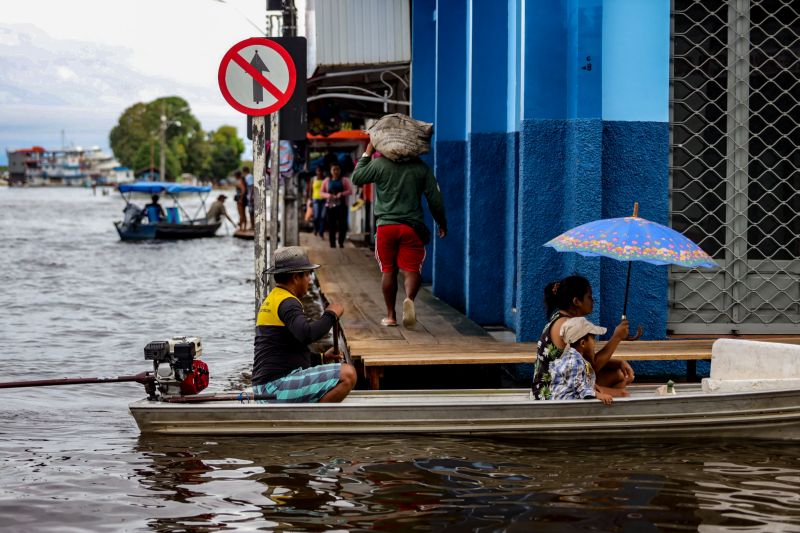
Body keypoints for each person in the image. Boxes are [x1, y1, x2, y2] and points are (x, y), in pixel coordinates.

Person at [351, 141, 447, 328]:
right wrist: (441, 222)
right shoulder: (421, 168)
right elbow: (435, 199)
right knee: (411, 269)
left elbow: (357, 178)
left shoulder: (379, 164)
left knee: (388, 270)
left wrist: (367, 153)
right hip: (412, 228)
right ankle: (409, 298)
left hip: (386, 227)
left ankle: (390, 316)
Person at [251, 246, 357, 403]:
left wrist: (321, 358)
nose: (310, 280)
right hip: (274, 389)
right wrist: (330, 314)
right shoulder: (288, 303)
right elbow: (306, 334)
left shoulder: (275, 298)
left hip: (265, 388)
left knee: (339, 374)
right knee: (348, 374)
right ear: (295, 277)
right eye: (308, 275)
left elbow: (288, 351)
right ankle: (315, 422)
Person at [531, 275, 634, 400]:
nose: (593, 301)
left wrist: (618, 363)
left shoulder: (562, 319)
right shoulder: (568, 325)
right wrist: (616, 337)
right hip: (554, 391)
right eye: (589, 297)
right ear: (576, 301)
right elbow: (594, 364)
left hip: (564, 381)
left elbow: (586, 362)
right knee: (623, 393)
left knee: (619, 374)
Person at [549, 317, 619, 404]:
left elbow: (577, 378)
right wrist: (597, 395)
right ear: (583, 343)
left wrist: (592, 386)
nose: (595, 342)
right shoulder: (574, 360)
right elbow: (577, 385)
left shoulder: (573, 356)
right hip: (565, 404)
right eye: (593, 338)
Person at [321, 162, 353, 249]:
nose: (336, 171)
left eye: (337, 169)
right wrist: (328, 195)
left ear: (340, 170)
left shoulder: (344, 180)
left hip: (342, 206)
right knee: (332, 225)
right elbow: (321, 193)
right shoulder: (326, 181)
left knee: (342, 225)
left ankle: (341, 242)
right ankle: (332, 244)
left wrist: (341, 194)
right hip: (330, 206)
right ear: (331, 171)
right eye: (334, 169)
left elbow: (350, 191)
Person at [310, 166, 327, 239]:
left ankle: (321, 232)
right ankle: (315, 229)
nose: (319, 172)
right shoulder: (313, 179)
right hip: (315, 199)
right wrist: (310, 200)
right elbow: (310, 190)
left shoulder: (325, 179)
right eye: (318, 171)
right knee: (316, 216)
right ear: (316, 171)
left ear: (323, 171)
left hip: (324, 200)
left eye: (320, 171)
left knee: (323, 217)